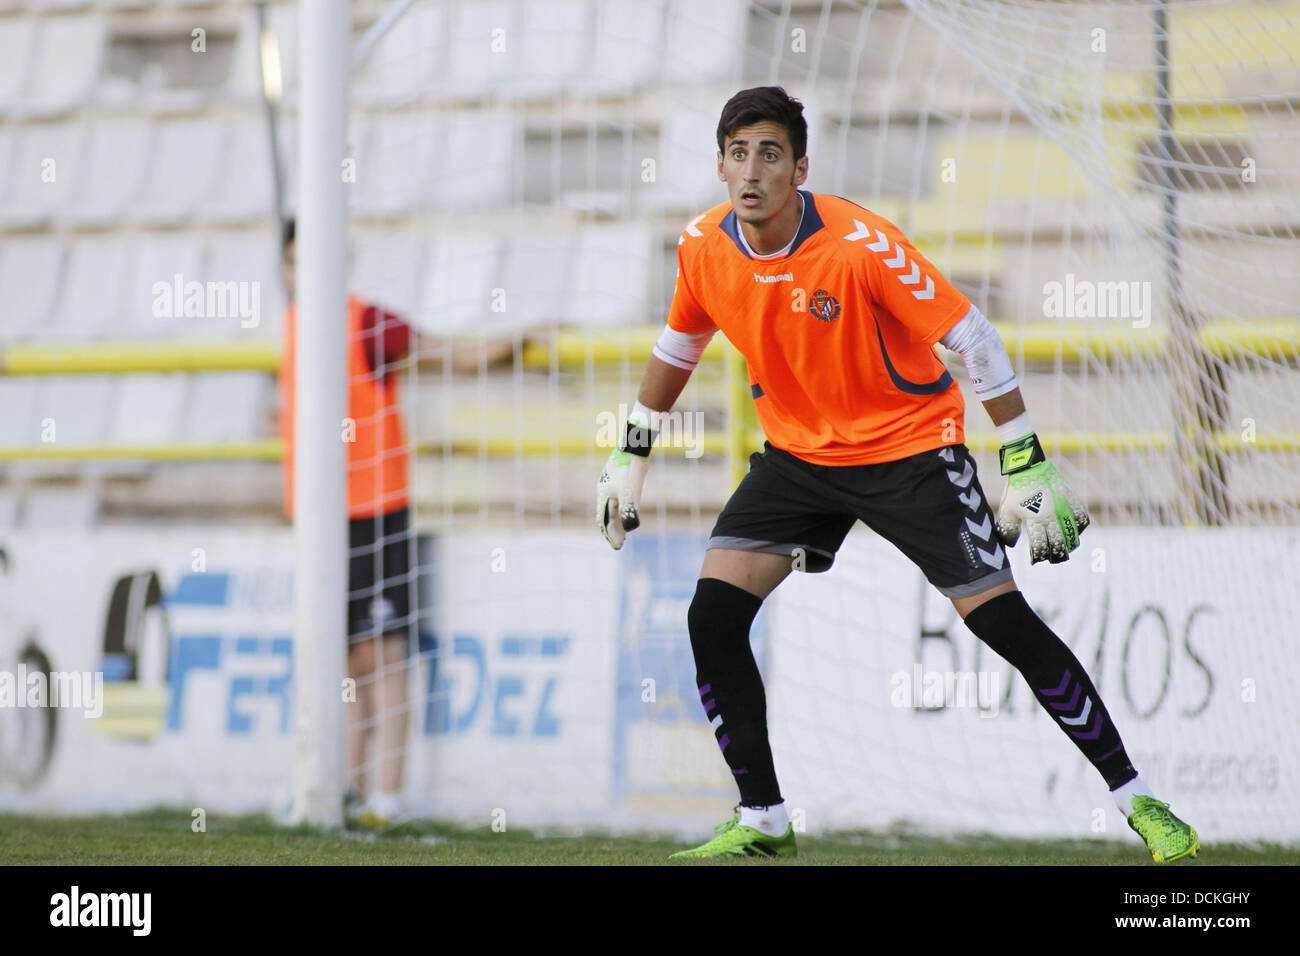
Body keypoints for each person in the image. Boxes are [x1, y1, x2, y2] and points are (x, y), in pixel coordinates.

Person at [597, 87, 1199, 863]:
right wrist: (629, 451)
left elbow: (974, 338)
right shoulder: (702, 246)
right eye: (738, 153)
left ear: (800, 168)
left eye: (770, 153)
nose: (752, 170)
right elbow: (678, 346)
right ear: (719, 166)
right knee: (711, 617)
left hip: (911, 450)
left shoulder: (859, 245)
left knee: (1001, 623)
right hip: (799, 459)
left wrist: (1023, 457)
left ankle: (1139, 798)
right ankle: (763, 819)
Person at [279, 218, 511, 824]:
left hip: (375, 511)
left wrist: (512, 341)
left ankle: (386, 795)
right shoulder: (296, 327)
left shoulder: (363, 320)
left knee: (382, 656)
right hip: (321, 520)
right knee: (348, 661)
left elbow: (449, 355)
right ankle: (351, 790)